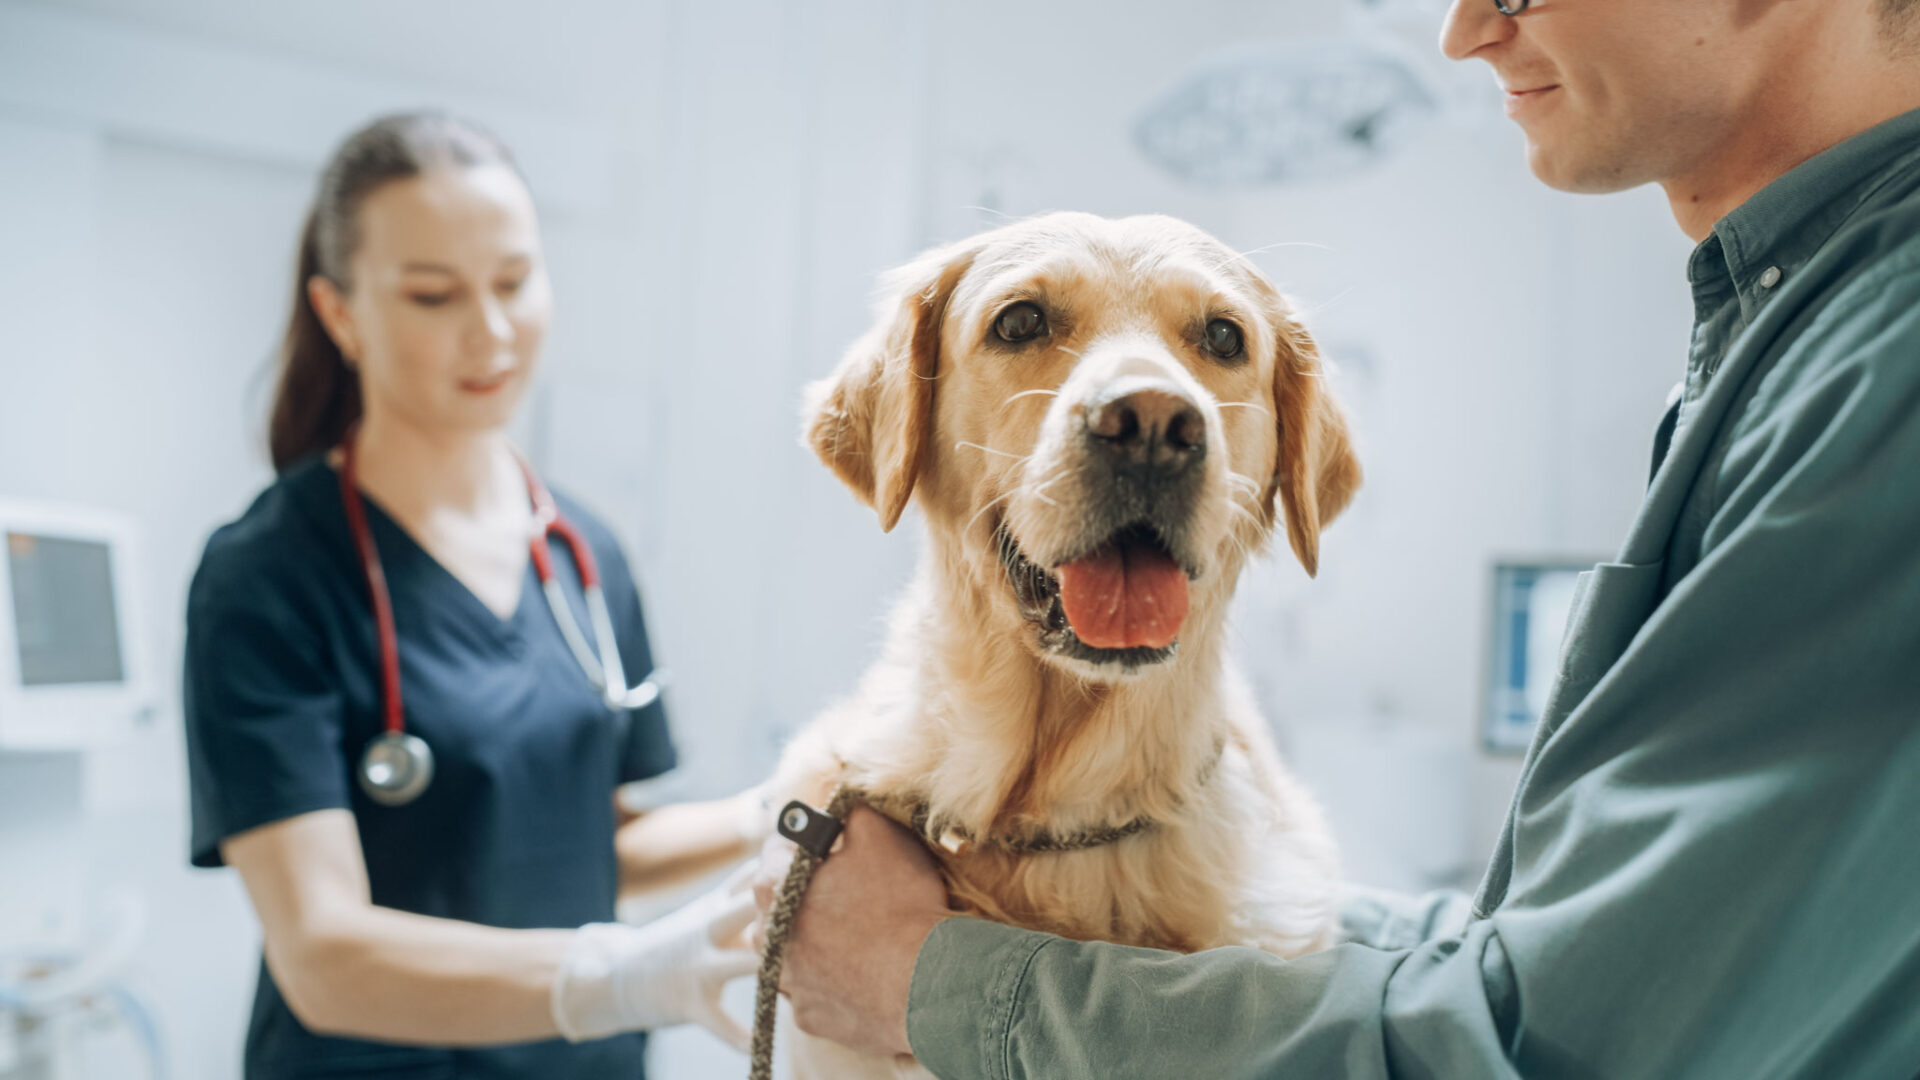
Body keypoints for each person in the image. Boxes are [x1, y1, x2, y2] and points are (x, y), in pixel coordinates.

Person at [752, 0, 1920, 1075]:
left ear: (1282, 481)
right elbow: (1573, 949)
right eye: (1025, 324)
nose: (1463, 33)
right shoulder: (1792, 325)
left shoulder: (1884, 365)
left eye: (1216, 345)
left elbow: (1557, 1045)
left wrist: (923, 979)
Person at [184, 112, 764, 1079]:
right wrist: (618, 975)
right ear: (340, 315)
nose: (491, 332)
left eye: (513, 282)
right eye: (432, 294)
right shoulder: (270, 576)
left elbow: (595, 839)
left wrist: (788, 805)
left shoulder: (585, 557)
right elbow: (324, 956)